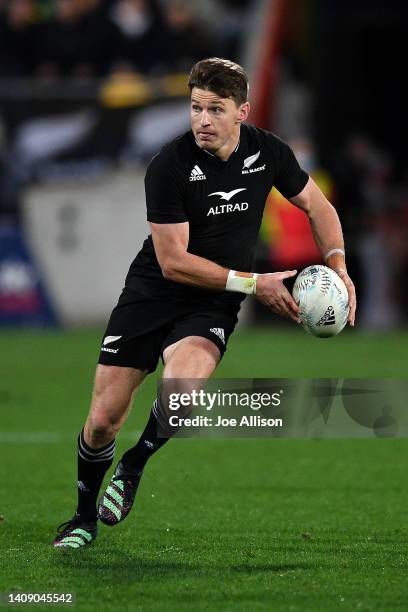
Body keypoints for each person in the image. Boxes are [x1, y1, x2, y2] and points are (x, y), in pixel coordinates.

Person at [52, 57, 356, 548]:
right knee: (104, 419)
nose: (203, 120)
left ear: (243, 112)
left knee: (183, 391)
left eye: (216, 109)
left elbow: (318, 206)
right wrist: (256, 284)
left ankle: (133, 466)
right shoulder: (168, 166)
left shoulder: (268, 153)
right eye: (195, 107)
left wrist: (338, 266)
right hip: (152, 294)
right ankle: (84, 517)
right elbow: (173, 262)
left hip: (211, 303)